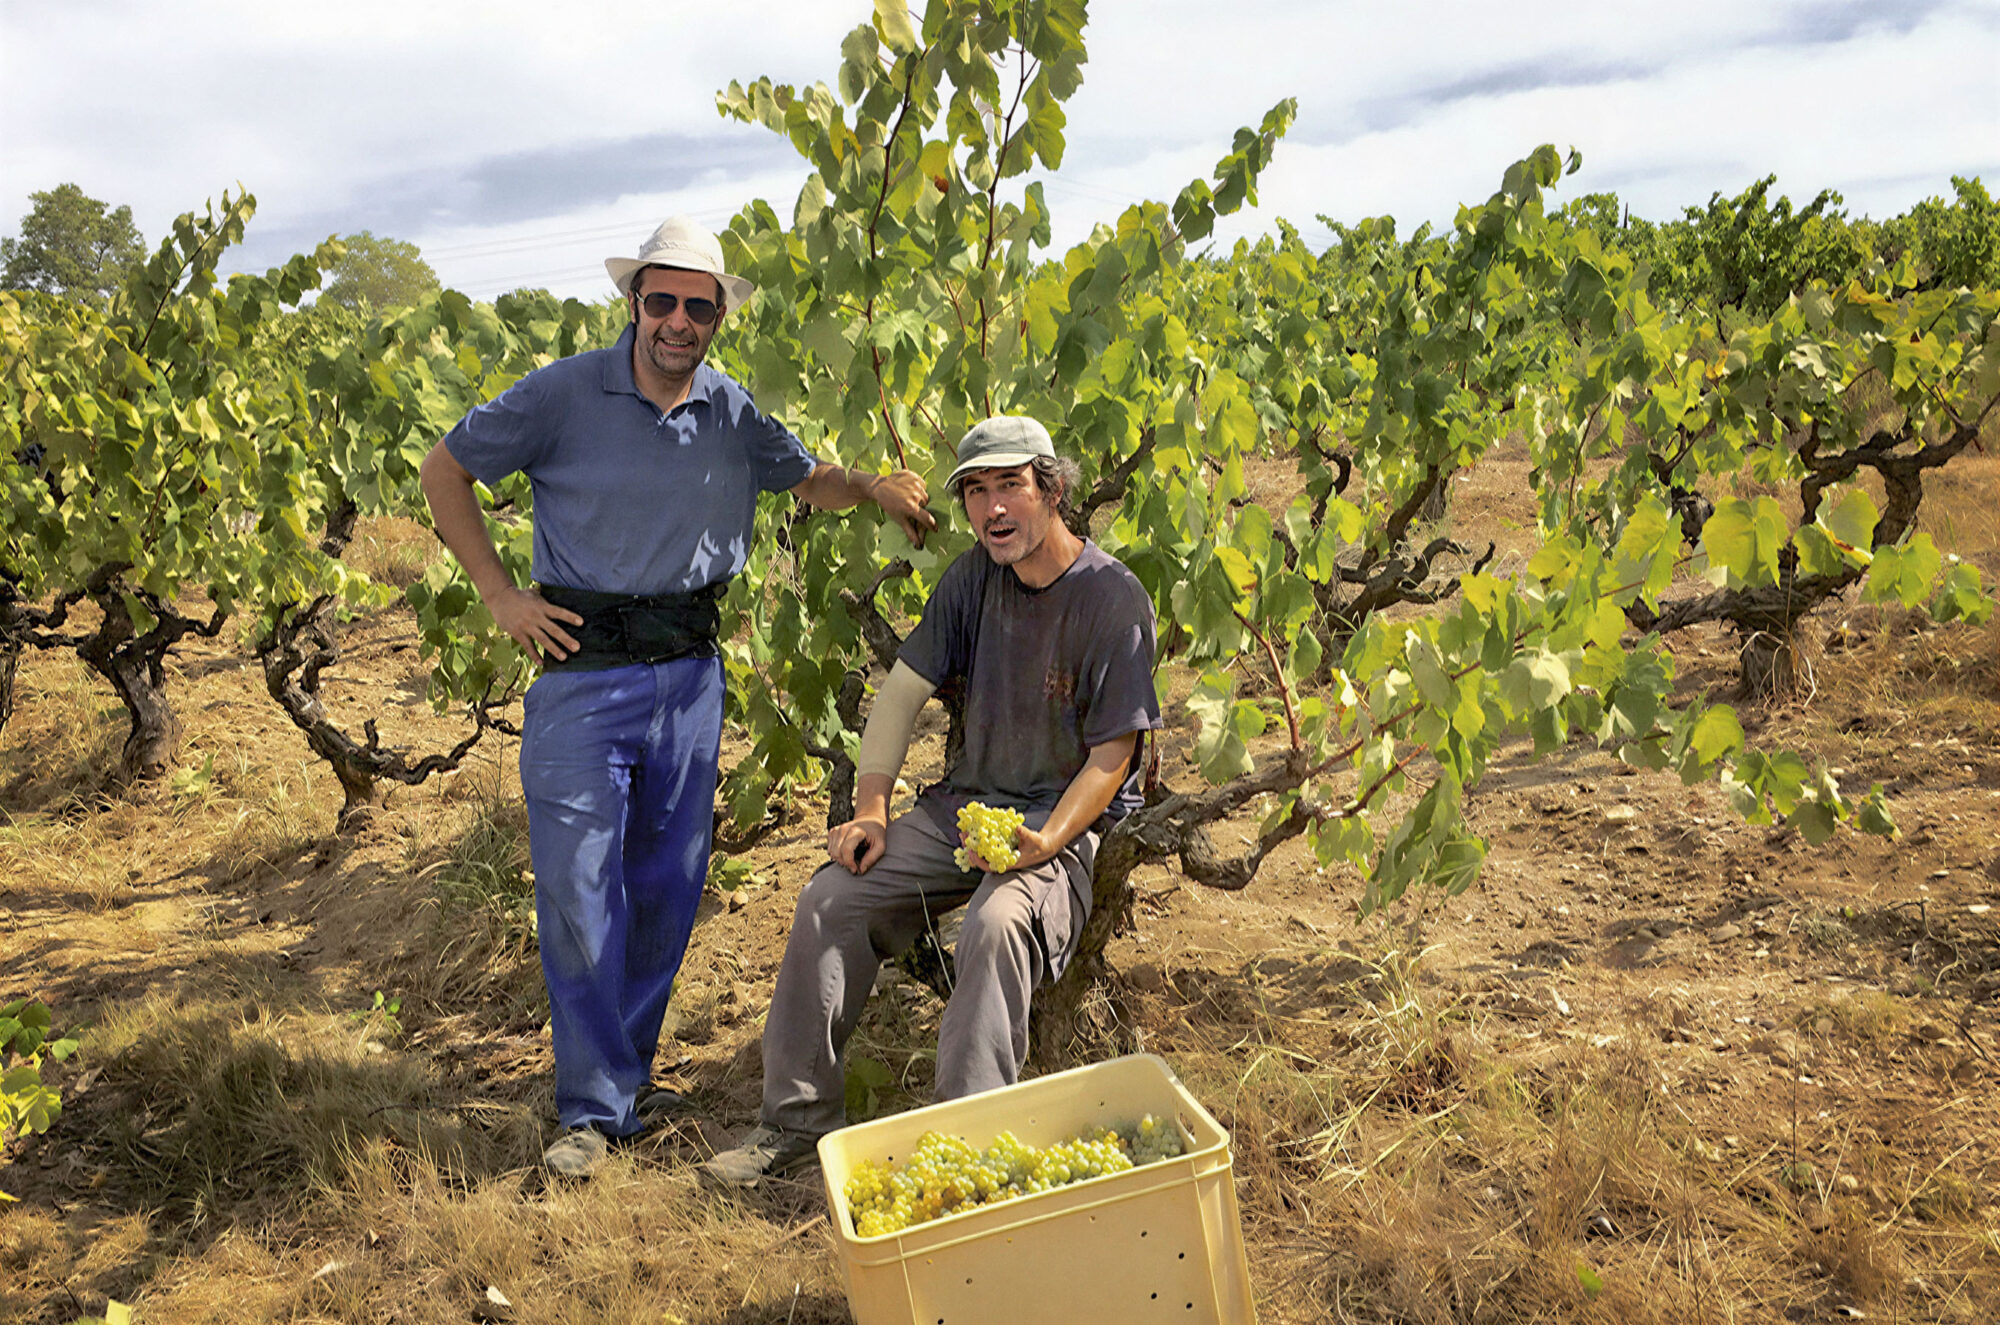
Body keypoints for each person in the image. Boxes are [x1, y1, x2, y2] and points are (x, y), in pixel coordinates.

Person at [419, 216, 937, 1177]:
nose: (679, 321)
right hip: (584, 676)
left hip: (690, 678)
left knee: (667, 887)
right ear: (634, 302)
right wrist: (498, 594)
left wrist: (873, 486)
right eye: (662, 300)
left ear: (717, 319)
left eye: (700, 307)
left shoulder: (729, 408)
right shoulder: (564, 393)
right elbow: (443, 469)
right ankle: (590, 1108)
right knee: (579, 889)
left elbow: (807, 478)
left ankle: (623, 1080)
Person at [702, 415, 1162, 1186]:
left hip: (1061, 825)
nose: (993, 508)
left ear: (1051, 489)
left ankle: (966, 1154)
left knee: (997, 922)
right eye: (976, 492)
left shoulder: (1112, 599)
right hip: (964, 808)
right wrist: (872, 808)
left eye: (1010, 485)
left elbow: (1113, 755)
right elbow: (900, 695)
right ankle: (793, 1123)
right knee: (830, 900)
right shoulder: (971, 579)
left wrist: (1048, 838)